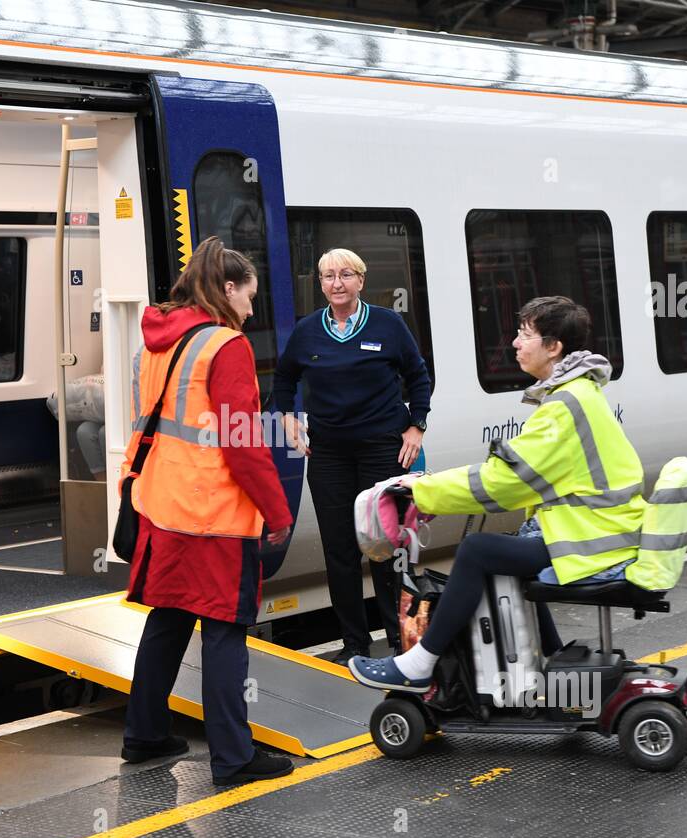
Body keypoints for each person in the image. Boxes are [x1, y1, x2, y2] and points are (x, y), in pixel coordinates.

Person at [348, 296, 646, 692]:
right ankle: (557, 665)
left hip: (593, 540)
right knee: (507, 553)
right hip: (601, 530)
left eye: (525, 335)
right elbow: (519, 474)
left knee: (478, 552)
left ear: (553, 347)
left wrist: (423, 490)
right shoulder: (578, 394)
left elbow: (503, 483)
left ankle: (419, 665)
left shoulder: (564, 406)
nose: (515, 344)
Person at [121, 236, 296, 786]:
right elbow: (242, 442)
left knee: (168, 621)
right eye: (248, 296)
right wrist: (277, 510)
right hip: (214, 513)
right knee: (224, 630)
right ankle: (234, 757)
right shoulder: (226, 346)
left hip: (159, 503)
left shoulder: (155, 338)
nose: (251, 309)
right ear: (226, 289)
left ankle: (144, 736)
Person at [273, 248, 432, 663]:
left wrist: (417, 425)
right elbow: (285, 377)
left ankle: (402, 644)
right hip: (329, 454)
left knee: (385, 548)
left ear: (361, 280)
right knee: (340, 551)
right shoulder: (307, 331)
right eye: (328, 276)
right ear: (321, 284)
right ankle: (354, 646)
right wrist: (289, 416)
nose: (336, 283)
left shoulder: (387, 324)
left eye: (345, 275)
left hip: (382, 449)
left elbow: (417, 376)